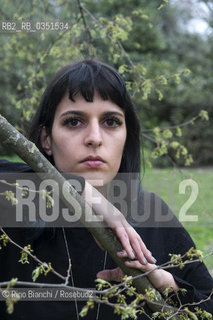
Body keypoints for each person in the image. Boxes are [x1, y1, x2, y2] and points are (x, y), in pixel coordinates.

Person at [0, 59, 212, 319]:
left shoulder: (152, 214)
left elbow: (207, 305)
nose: (95, 138)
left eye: (111, 122)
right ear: (46, 140)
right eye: (74, 122)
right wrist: (81, 190)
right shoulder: (13, 203)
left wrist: (165, 283)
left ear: (126, 137)